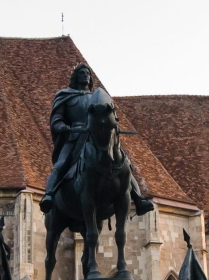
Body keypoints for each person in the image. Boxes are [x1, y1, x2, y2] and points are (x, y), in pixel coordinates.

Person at [39, 63, 154, 216]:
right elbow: (57, 118)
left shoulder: (97, 99)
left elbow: (112, 118)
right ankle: (49, 195)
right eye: (82, 73)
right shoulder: (65, 95)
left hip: (96, 137)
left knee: (124, 163)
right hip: (75, 137)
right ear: (76, 77)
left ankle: (138, 199)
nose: (85, 75)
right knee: (60, 165)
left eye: (87, 73)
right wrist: (61, 126)